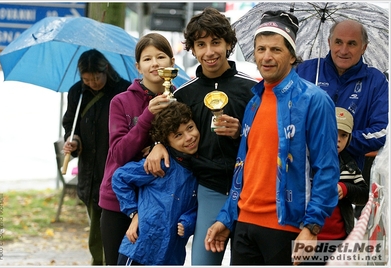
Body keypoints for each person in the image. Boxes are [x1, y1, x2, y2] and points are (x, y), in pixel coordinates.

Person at [203, 10, 340, 265]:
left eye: (275, 50)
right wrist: (227, 216)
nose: (266, 57)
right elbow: (243, 167)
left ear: (292, 55)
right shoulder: (253, 101)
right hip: (243, 225)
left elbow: (328, 169)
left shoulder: (315, 100)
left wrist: (312, 227)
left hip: (287, 228)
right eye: (261, 49)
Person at [143, 7, 258, 265]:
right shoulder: (183, 94)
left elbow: (265, 141)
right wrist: (159, 144)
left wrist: (241, 131)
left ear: (229, 44)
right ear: (192, 49)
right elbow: (171, 135)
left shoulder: (252, 89)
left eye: (216, 42)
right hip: (208, 190)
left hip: (250, 192)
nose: (209, 52)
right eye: (201, 44)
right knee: (203, 263)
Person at [295, 20, 389, 218]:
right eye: (338, 42)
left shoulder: (376, 80)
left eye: (352, 43)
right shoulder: (305, 71)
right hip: (299, 179)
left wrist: (344, 139)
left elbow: (382, 131)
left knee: (332, 246)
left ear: (364, 47)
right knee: (297, 245)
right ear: (329, 42)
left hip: (344, 185)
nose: (343, 50)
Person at [98, 32, 178, 265]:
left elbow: (185, 148)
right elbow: (119, 154)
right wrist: (148, 115)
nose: (155, 63)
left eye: (161, 57)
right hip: (118, 202)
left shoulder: (179, 99)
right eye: (147, 59)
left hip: (158, 202)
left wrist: (159, 145)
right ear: (138, 66)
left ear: (172, 63)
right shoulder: (120, 102)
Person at [62, 49, 131, 265]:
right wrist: (74, 141)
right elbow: (70, 124)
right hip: (91, 174)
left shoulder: (124, 91)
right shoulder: (77, 93)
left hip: (117, 172)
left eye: (97, 77)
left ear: (106, 70)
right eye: (86, 78)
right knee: (96, 231)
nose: (92, 82)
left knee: (115, 233)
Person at [112, 101, 199, 265]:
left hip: (171, 255)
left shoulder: (199, 169)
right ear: (167, 142)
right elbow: (120, 177)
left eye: (190, 127)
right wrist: (134, 212)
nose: (189, 137)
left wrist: (189, 221)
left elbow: (199, 206)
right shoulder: (161, 164)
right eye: (178, 135)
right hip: (140, 250)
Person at [301, 107, 369, 265]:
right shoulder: (304, 161)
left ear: (349, 138)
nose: (338, 139)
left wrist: (345, 189)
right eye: (333, 131)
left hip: (339, 242)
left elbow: (365, 194)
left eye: (343, 135)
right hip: (305, 238)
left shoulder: (349, 165)